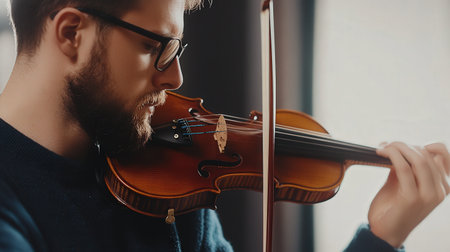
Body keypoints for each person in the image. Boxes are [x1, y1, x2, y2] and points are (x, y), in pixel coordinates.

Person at [0, 0, 448, 251]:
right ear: (71, 33)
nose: (174, 77)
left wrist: (383, 236)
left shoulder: (166, 183)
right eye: (157, 46)